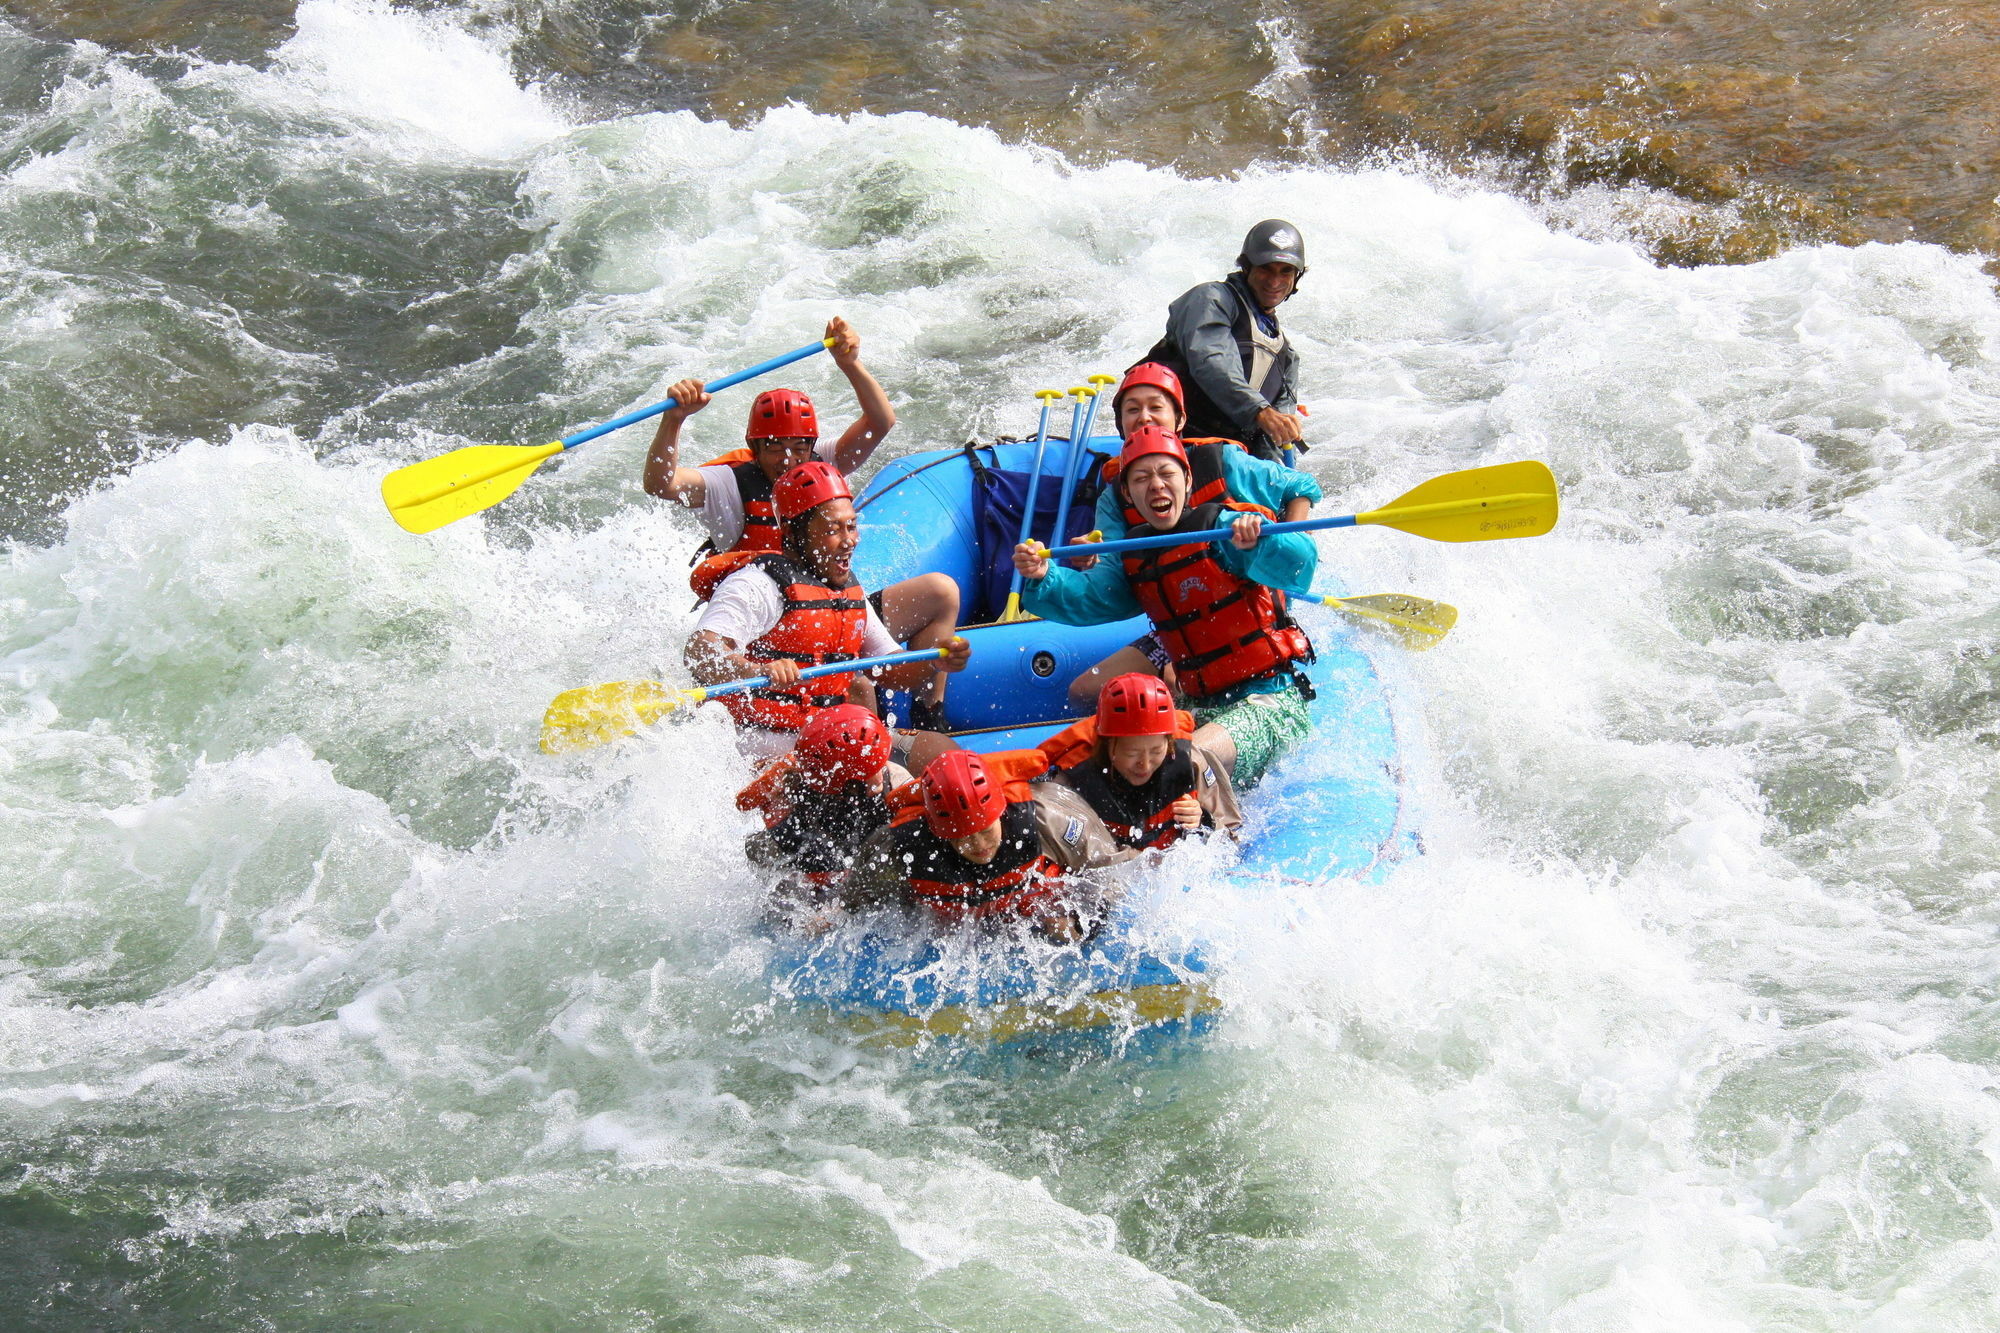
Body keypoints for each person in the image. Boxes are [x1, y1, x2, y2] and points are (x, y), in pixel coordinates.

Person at [644, 316, 960, 727]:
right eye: (775, 449)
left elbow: (880, 423)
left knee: (940, 592)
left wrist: (849, 364)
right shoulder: (729, 483)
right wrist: (675, 420)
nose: (789, 460)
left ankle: (930, 712)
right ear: (754, 447)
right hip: (765, 626)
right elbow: (662, 484)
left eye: (798, 448)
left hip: (828, 609)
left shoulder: (819, 468)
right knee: (858, 686)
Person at [1012, 424, 1316, 788]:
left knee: (1176, 766)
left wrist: (1261, 543)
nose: (1156, 485)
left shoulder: (1225, 528)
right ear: (1128, 493)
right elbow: (1093, 600)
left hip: (1270, 701)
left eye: (1166, 473)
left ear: (1187, 481)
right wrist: (1046, 575)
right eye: (1141, 478)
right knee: (1102, 771)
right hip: (1200, 705)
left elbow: (1301, 567)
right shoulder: (1135, 553)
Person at [1066, 360, 1322, 709]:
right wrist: (1091, 561)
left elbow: (1300, 487)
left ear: (1180, 420)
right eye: (1132, 410)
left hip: (1250, 612)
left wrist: (1291, 547)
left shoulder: (1220, 461)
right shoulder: (1118, 494)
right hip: (1183, 619)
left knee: (1175, 681)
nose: (1143, 417)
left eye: (1155, 407)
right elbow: (1113, 567)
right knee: (1084, 691)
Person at [685, 460, 968, 770]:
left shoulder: (847, 590)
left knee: (947, 758)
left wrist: (934, 662)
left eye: (852, 525)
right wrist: (755, 670)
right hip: (766, 745)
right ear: (795, 532)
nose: (850, 540)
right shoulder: (759, 584)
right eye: (834, 529)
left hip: (838, 736)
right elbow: (699, 651)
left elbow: (890, 672)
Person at [846, 749, 1135, 943]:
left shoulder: (1049, 816)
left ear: (1002, 810)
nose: (979, 845)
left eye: (986, 830)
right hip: (959, 921)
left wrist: (1081, 921)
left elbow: (1112, 874)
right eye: (961, 836)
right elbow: (860, 903)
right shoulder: (898, 846)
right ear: (936, 829)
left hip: (1035, 909)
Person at [1141, 219, 1306, 461]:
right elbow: (1211, 361)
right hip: (1173, 446)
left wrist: (1275, 479)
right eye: (1266, 269)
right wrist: (1259, 410)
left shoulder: (1286, 356)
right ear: (1247, 267)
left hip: (1228, 459)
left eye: (1285, 271)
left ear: (1296, 277)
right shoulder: (1211, 300)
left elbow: (1274, 435)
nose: (1274, 281)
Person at [737, 704, 910, 934]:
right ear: (842, 785)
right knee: (765, 852)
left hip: (860, 871)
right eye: (872, 772)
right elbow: (745, 809)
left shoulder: (898, 788)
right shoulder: (800, 781)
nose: (879, 776)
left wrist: (838, 912)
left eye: (878, 766)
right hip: (818, 863)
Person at [1038, 673, 1241, 852]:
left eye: (1156, 751)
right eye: (1132, 753)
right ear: (1107, 746)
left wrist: (1203, 821)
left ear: (1169, 742)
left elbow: (1231, 837)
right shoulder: (1071, 782)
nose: (1144, 764)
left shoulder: (1191, 761)